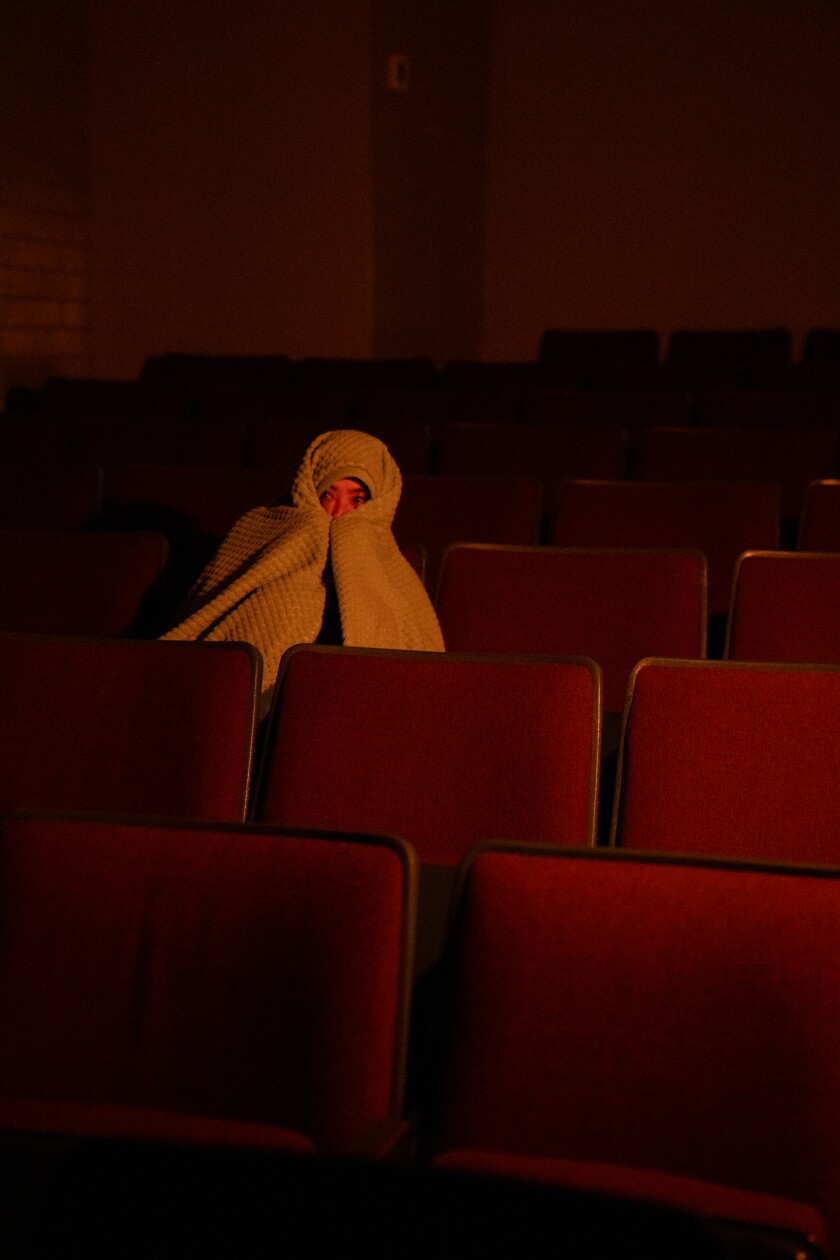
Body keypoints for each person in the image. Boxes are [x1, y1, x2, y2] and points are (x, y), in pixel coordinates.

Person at [161, 428, 444, 716]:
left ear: (378, 504)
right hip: (255, 716)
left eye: (356, 500)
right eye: (327, 495)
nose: (337, 512)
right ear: (308, 490)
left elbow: (420, 676)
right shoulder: (262, 530)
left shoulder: (394, 571)